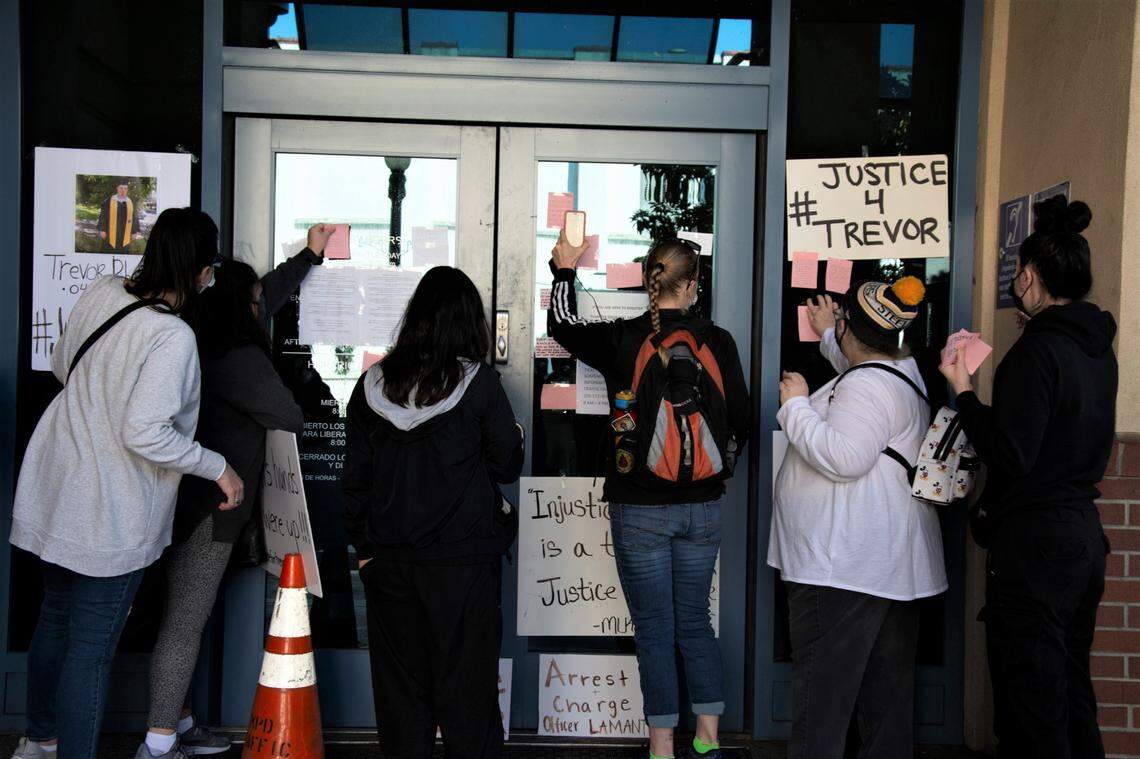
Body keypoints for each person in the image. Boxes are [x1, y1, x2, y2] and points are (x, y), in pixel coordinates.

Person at [9, 208, 244, 759]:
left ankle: (38, 740)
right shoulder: (171, 336)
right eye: (210, 266)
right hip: (109, 509)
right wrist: (218, 467)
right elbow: (146, 433)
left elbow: (63, 366)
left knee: (55, 623)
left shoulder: (102, 292)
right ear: (201, 271)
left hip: (54, 485)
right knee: (89, 651)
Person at [135, 224, 334, 759]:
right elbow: (286, 414)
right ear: (240, 308)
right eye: (255, 302)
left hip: (178, 499)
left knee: (178, 612)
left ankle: (177, 723)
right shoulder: (239, 360)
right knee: (185, 620)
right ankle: (157, 742)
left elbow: (265, 292)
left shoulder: (198, 333)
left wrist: (307, 257)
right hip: (211, 507)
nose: (262, 306)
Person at [547, 234, 750, 759]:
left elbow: (563, 327)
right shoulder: (720, 342)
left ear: (648, 281)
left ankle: (661, 743)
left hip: (638, 507)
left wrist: (564, 272)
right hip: (702, 508)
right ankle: (707, 737)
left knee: (655, 629)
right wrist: (712, 476)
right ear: (694, 284)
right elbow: (741, 422)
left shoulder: (624, 339)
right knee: (695, 623)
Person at [941, 196, 1116, 759]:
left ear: (1033, 277)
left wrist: (965, 390)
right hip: (1082, 538)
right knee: (1070, 688)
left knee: (1031, 706)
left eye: (1019, 273)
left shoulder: (1037, 354)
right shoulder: (1095, 350)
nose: (1016, 282)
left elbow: (1010, 452)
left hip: (1036, 546)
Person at [343, 266, 524, 759]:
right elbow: (508, 463)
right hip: (463, 566)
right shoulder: (479, 384)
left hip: (390, 565)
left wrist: (365, 554)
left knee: (402, 702)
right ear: (469, 323)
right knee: (469, 698)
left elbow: (354, 481)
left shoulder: (369, 386)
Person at [769, 277, 947, 759]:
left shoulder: (867, 386)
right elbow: (862, 363)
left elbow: (846, 456)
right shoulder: (901, 371)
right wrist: (831, 334)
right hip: (883, 569)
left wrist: (795, 406)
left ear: (853, 327)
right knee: (883, 702)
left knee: (821, 706)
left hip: (842, 569)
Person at [98, 179, 142, 253]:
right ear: (117, 188)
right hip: (110, 232)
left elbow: (134, 217)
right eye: (121, 188)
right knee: (108, 251)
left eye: (125, 188)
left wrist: (134, 232)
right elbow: (103, 215)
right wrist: (102, 230)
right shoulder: (109, 200)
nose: (123, 190)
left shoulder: (130, 202)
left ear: (127, 190)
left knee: (123, 251)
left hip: (125, 232)